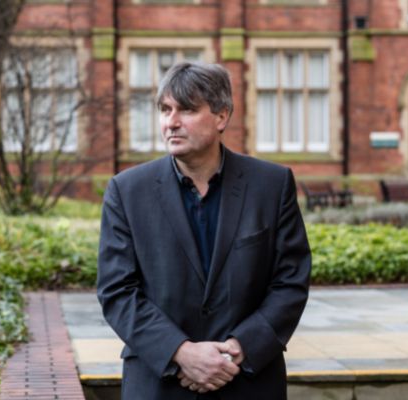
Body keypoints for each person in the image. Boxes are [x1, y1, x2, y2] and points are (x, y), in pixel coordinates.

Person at [97, 61, 312, 399]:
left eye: (187, 109)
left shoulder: (271, 185)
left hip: (247, 381)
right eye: (165, 109)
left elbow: (290, 280)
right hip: (160, 383)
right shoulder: (126, 191)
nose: (171, 122)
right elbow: (117, 290)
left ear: (221, 116)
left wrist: (239, 348)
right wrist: (181, 352)